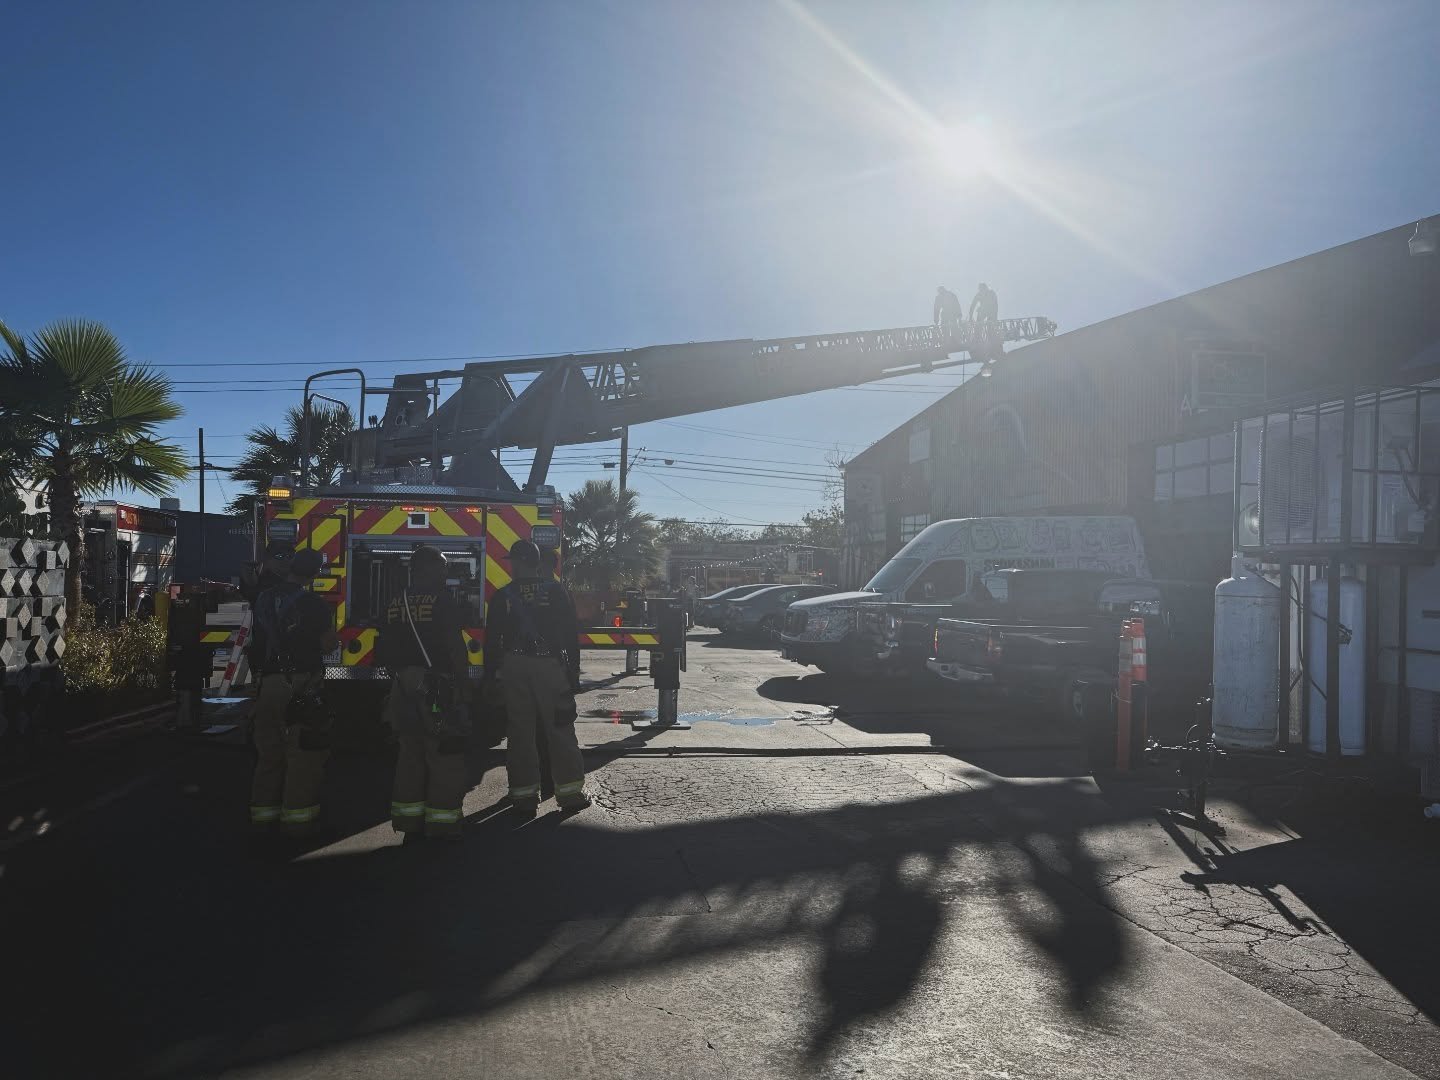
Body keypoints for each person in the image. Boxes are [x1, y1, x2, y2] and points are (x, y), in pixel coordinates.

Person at [485, 538, 588, 819]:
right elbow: (570, 635)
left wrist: (490, 676)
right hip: (549, 666)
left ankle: (524, 797)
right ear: (537, 563)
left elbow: (492, 641)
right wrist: (573, 671)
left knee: (520, 732)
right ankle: (570, 795)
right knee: (560, 728)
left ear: (517, 563)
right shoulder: (556, 592)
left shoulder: (503, 596)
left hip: (514, 666)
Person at [376, 545, 471, 840]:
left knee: (410, 754)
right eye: (441, 566)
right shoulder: (442, 601)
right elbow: (454, 646)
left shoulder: (394, 600)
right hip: (435, 686)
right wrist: (463, 685)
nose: (445, 571)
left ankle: (408, 821)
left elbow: (383, 645)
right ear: (426, 569)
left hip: (402, 684)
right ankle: (443, 824)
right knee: (444, 753)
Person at [249, 549, 337, 835]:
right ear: (314, 574)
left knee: (269, 753)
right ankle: (297, 823)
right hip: (301, 684)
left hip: (268, 683)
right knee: (303, 755)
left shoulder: (263, 599)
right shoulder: (314, 603)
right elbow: (327, 645)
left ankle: (262, 816)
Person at [240, 540, 293, 676]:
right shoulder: (263, 585)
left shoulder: (293, 584)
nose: (286, 560)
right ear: (267, 560)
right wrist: (247, 575)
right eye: (280, 556)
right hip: (267, 652)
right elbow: (250, 590)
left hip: (290, 654)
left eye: (290, 556)